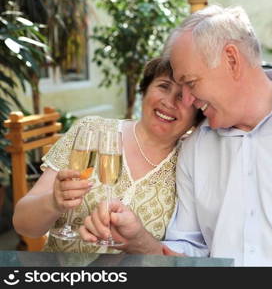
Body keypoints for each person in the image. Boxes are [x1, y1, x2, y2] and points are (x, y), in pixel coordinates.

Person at [80, 5, 272, 266]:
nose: (188, 101)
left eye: (190, 82)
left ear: (232, 60)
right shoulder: (196, 147)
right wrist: (142, 243)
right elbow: (192, 251)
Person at [13, 57, 203, 253]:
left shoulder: (192, 164)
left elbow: (188, 251)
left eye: (182, 96)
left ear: (197, 115)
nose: (169, 102)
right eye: (163, 86)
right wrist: (53, 202)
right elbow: (23, 224)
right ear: (144, 91)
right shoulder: (90, 131)